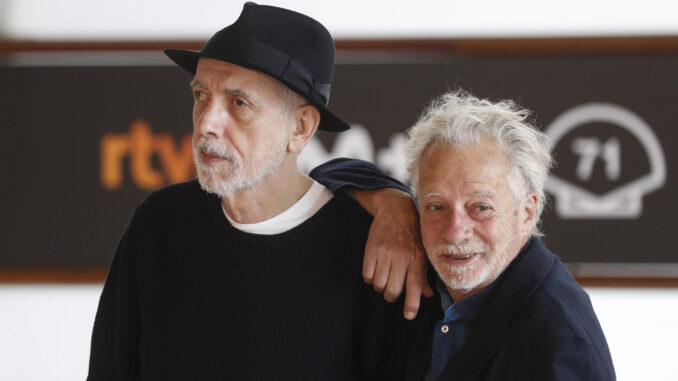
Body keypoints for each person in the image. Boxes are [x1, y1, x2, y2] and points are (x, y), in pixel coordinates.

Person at [86, 3, 430, 380]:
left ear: (300, 128)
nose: (207, 124)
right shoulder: (158, 223)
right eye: (201, 95)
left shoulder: (372, 251)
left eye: (239, 103)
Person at [315, 90, 616, 380]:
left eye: (481, 207)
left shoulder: (563, 342)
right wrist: (392, 205)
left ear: (526, 212)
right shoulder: (431, 279)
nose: (455, 231)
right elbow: (323, 175)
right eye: (436, 206)